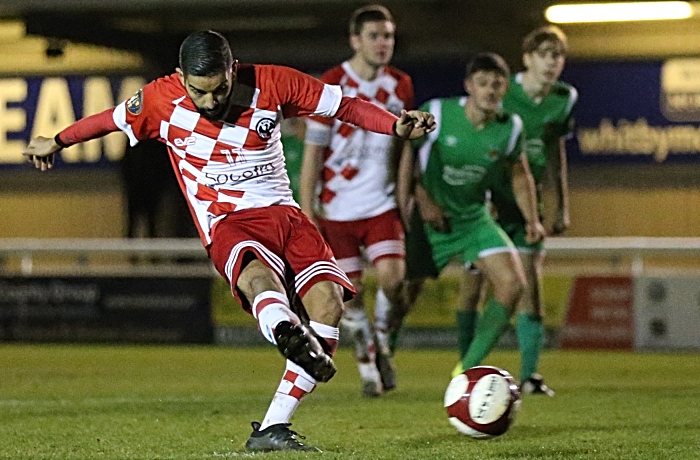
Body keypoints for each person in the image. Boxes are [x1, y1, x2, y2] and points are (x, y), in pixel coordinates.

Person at [23, 30, 434, 453]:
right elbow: (107, 119)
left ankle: (273, 425)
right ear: (181, 76)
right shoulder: (159, 100)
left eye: (219, 89)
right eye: (199, 91)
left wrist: (395, 124)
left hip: (285, 214)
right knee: (258, 279)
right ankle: (285, 329)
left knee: (329, 303)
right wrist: (55, 140)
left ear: (232, 70)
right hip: (226, 220)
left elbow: (345, 106)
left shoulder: (274, 83)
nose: (210, 101)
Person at [410, 53, 545, 380]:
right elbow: (403, 157)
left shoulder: (510, 127)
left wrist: (532, 219)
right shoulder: (438, 112)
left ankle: (465, 370)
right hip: (431, 219)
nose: (490, 91)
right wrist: (422, 199)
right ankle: (380, 359)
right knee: (400, 293)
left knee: (513, 285)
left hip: (473, 219)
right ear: (469, 86)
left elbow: (519, 174)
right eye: (483, 84)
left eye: (497, 85)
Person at [300, 4, 412, 398]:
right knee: (350, 296)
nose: (384, 44)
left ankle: (379, 339)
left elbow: (404, 148)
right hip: (337, 208)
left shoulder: (400, 86)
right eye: (375, 36)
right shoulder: (332, 84)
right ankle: (368, 365)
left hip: (380, 205)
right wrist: (307, 207)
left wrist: (404, 194)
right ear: (355, 40)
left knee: (394, 280)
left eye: (389, 36)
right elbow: (314, 152)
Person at [487, 25, 577, 395]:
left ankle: (528, 375)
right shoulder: (505, 93)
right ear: (527, 59)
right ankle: (466, 367)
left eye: (557, 55)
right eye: (544, 54)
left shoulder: (564, 98)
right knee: (476, 288)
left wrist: (561, 204)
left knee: (531, 285)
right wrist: (485, 200)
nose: (552, 62)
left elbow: (556, 150)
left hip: (529, 201)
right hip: (492, 199)